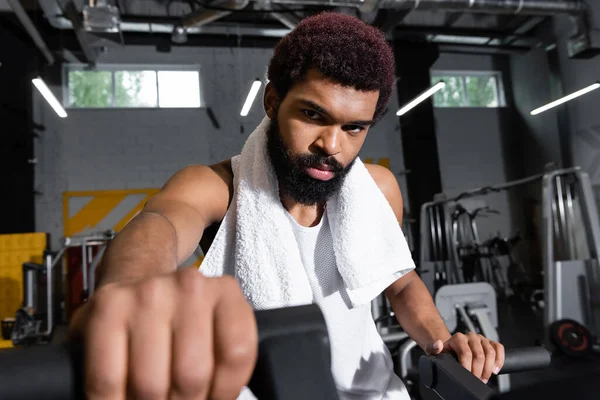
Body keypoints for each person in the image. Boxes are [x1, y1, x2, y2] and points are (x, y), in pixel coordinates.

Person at [70, 11, 505, 400]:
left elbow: (402, 284)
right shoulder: (219, 187)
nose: (331, 145)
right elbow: (160, 220)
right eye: (313, 115)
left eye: (354, 128)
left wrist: (440, 342)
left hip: (370, 390)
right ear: (273, 101)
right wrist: (127, 292)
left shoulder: (379, 190)